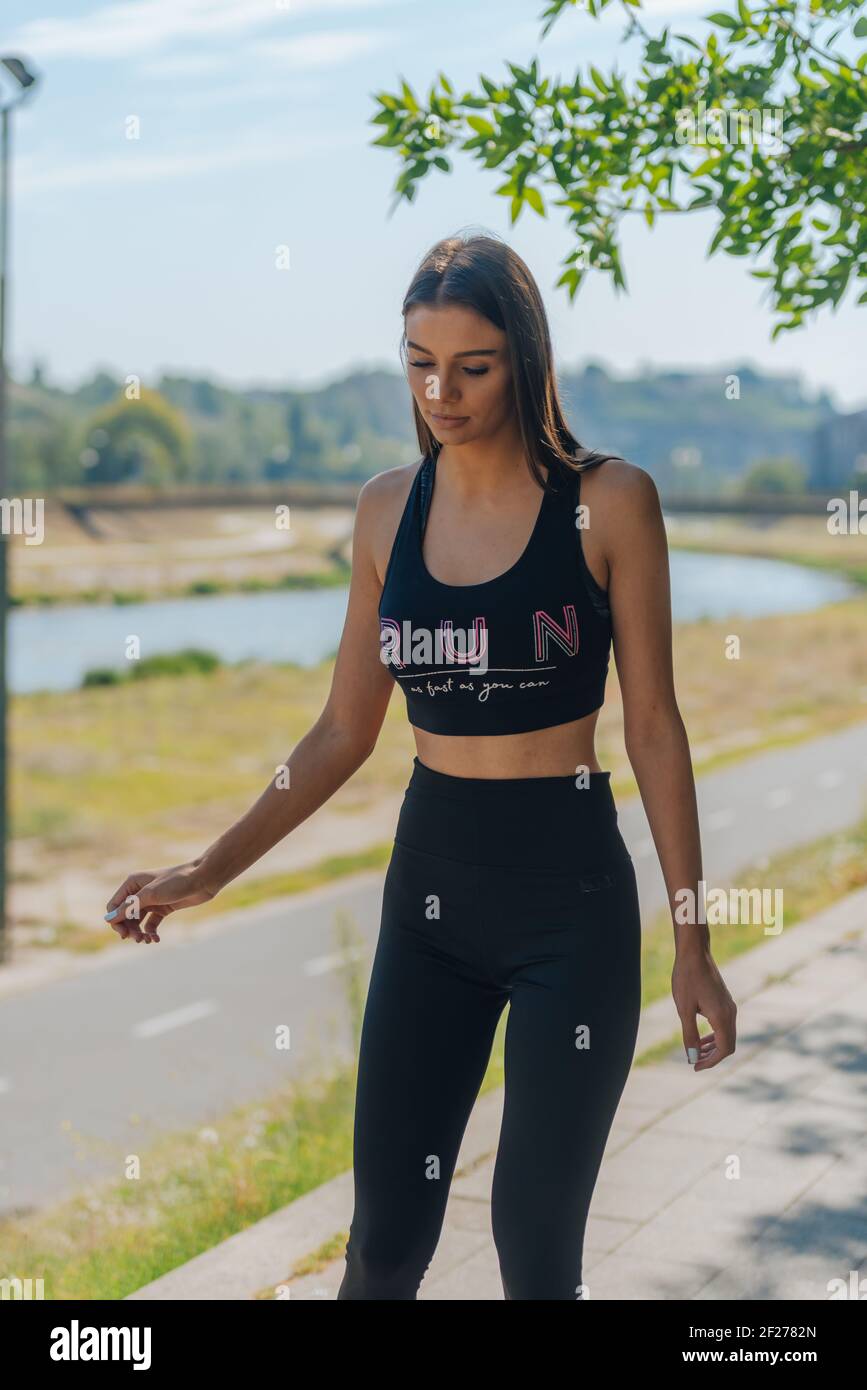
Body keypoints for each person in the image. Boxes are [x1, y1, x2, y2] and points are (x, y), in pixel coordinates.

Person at [104, 232, 737, 1301]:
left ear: (525, 358)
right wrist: (207, 870)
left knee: (535, 1250)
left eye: (472, 367)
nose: (441, 392)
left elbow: (655, 730)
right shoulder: (386, 510)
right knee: (385, 1246)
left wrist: (692, 942)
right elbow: (343, 731)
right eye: (419, 363)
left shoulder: (609, 500)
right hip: (431, 898)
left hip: (570, 903)